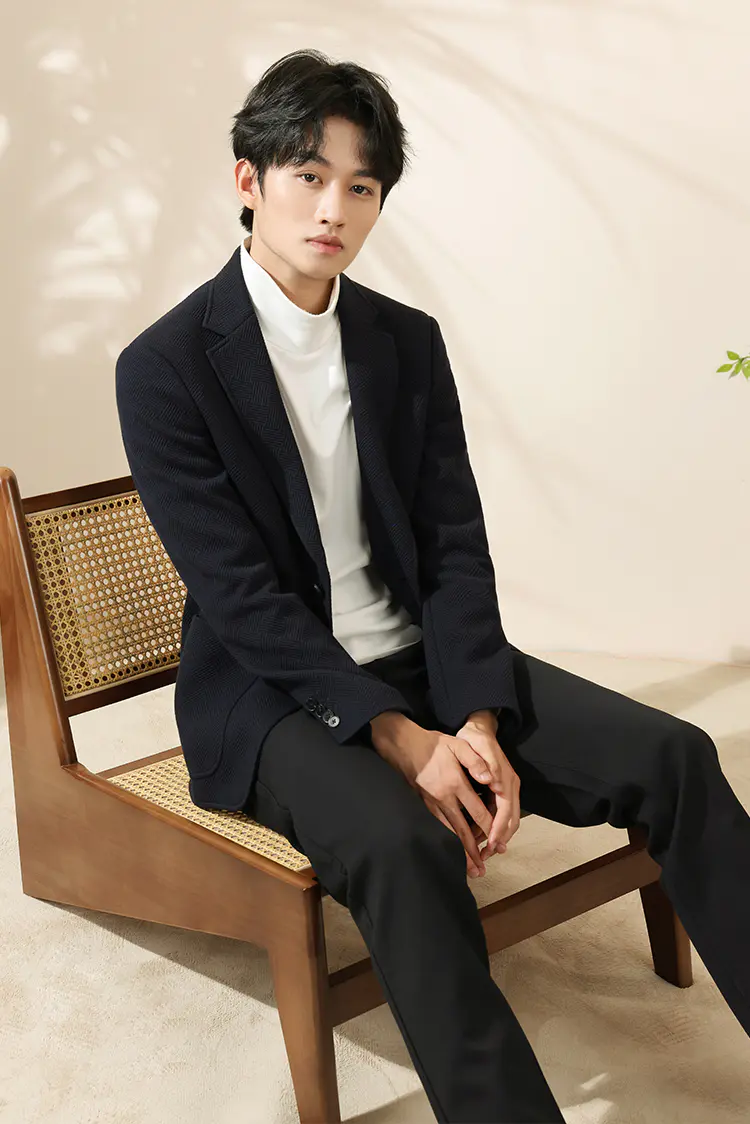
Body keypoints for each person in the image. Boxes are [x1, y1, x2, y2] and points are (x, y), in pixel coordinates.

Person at [115, 47, 750, 1124]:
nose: (335, 208)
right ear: (249, 181)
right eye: (309, 175)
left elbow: (455, 545)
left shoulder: (402, 343)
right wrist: (404, 739)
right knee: (407, 845)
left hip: (426, 659)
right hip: (275, 698)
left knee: (675, 756)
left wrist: (477, 717)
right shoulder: (166, 365)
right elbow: (240, 598)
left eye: (362, 186)